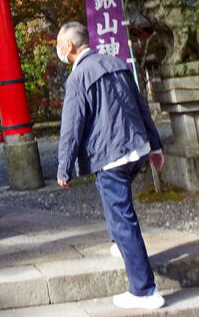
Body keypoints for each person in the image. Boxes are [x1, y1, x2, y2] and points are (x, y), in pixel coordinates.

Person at [55, 22, 166, 311]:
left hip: (112, 154)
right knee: (115, 201)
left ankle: (145, 290)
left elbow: (72, 125)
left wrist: (63, 167)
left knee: (122, 216)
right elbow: (141, 105)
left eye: (58, 43)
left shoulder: (78, 76)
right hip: (137, 148)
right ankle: (119, 245)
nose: (57, 48)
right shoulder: (116, 63)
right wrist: (154, 146)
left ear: (68, 46)